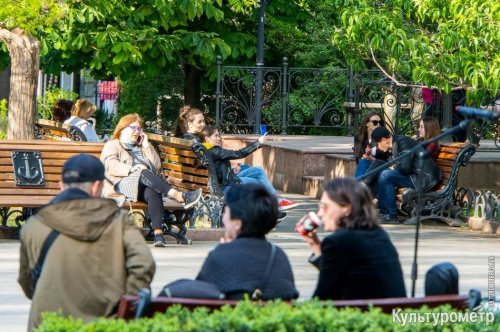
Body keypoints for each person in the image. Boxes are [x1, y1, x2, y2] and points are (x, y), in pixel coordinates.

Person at [18, 154, 156, 331]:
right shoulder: (120, 221)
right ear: (97, 186)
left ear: (61, 185)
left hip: (48, 324)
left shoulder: (33, 226)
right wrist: (124, 305)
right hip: (105, 324)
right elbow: (144, 264)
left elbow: (27, 281)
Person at [100, 113, 202, 247]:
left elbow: (157, 166)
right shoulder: (113, 145)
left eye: (139, 129)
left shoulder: (142, 146)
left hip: (141, 187)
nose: (137, 132)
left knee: (152, 190)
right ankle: (178, 195)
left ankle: (158, 234)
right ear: (123, 128)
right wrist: (132, 168)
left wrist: (147, 146)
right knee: (142, 171)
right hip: (120, 186)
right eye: (133, 128)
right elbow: (111, 166)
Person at [299, 178, 406, 300]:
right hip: (390, 315)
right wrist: (316, 247)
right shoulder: (379, 235)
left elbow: (322, 297)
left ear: (346, 208)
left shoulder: (338, 241)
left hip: (361, 315)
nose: (320, 213)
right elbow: (346, 274)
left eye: (324, 207)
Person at [196, 184, 299, 300]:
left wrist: (223, 251)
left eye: (226, 212)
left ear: (238, 223)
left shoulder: (219, 256)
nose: (223, 218)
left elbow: (199, 294)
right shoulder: (279, 256)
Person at [199, 125, 298, 213]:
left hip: (224, 180)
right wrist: (258, 142)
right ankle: (273, 203)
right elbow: (238, 153)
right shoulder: (215, 151)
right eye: (216, 136)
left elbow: (217, 168)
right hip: (228, 186)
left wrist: (232, 169)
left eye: (219, 135)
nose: (219, 138)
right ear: (207, 138)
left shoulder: (203, 150)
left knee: (256, 170)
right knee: (257, 180)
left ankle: (272, 202)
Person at [372, 125, 441, 224]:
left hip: (423, 178)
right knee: (383, 172)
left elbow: (405, 168)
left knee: (386, 175)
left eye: (378, 144)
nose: (378, 147)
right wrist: (394, 166)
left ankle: (391, 215)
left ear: (384, 140)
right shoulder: (397, 142)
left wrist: (394, 167)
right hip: (416, 176)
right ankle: (384, 213)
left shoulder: (403, 142)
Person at [353, 112, 391, 178]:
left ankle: (357, 186)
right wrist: (365, 156)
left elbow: (388, 159)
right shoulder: (359, 138)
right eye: (375, 122)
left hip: (381, 166)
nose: (378, 124)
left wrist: (372, 159)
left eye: (380, 122)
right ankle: (359, 185)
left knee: (363, 163)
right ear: (367, 124)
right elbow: (357, 157)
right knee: (363, 162)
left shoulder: (384, 138)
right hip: (366, 165)